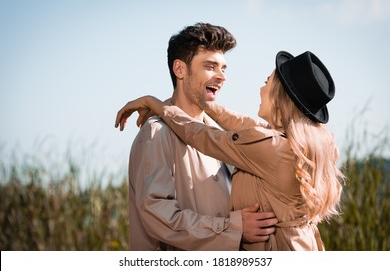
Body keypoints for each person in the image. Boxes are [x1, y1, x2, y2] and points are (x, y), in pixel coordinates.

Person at [115, 50, 346, 250]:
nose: (260, 88)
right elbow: (244, 124)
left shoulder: (272, 148)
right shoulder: (300, 144)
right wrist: (202, 100)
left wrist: (154, 103)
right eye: (210, 66)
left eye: (267, 83)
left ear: (279, 97)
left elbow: (203, 137)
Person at [117, 22, 277, 251]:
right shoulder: (156, 134)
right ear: (180, 69)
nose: (221, 77)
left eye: (224, 68)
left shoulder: (218, 133)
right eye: (211, 66)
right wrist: (234, 228)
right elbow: (158, 215)